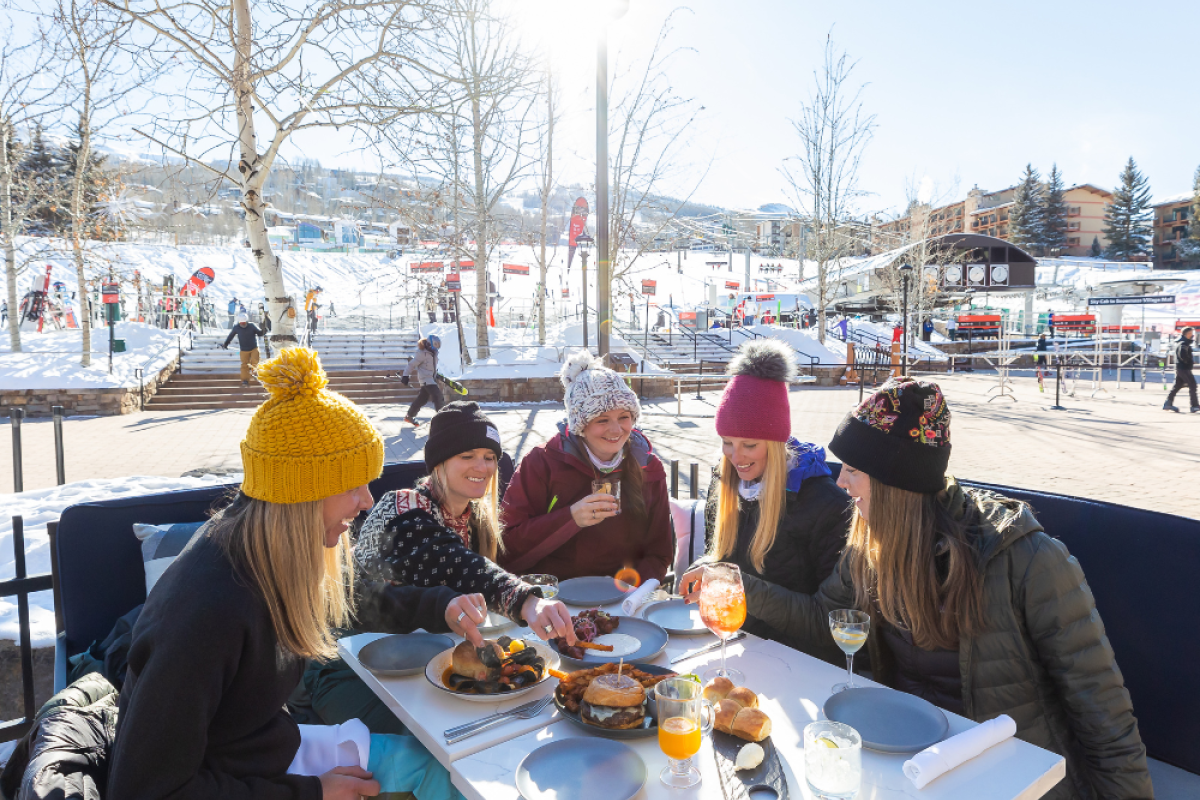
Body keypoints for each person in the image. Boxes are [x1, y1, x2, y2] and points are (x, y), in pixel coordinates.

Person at [681, 376, 1152, 800]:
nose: (839, 479)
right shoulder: (870, 545)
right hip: (898, 763)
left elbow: (1104, 718)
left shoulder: (1024, 560)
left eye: (853, 469)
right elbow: (824, 622)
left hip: (1006, 775)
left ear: (896, 483)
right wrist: (738, 584)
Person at [109, 347, 473, 800]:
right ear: (302, 494)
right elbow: (145, 789)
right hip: (234, 776)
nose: (365, 501)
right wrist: (311, 794)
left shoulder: (267, 553)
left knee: (442, 770)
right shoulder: (211, 611)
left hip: (257, 749)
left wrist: (444, 606)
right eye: (351, 485)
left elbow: (351, 597)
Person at [312, 402, 578, 734]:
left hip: (416, 660)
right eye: (466, 456)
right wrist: (527, 600)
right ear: (439, 462)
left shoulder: (475, 517)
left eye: (489, 456)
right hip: (348, 664)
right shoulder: (403, 506)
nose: (481, 466)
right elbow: (455, 564)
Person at [701, 339, 851, 654]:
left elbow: (829, 622)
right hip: (735, 648)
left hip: (799, 665)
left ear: (774, 442)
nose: (735, 456)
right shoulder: (724, 483)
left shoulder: (826, 504)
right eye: (727, 442)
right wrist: (703, 568)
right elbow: (718, 557)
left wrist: (738, 585)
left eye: (750, 445)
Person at [500, 351, 673, 585]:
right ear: (580, 425)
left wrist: (631, 594)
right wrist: (570, 518)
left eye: (624, 417)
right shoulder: (542, 462)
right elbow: (506, 549)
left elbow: (659, 552)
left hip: (619, 598)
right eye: (602, 419)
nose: (616, 430)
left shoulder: (648, 467)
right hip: (550, 597)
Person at [401, 335, 443, 426]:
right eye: (436, 345)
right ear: (431, 344)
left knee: (422, 399)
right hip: (425, 379)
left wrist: (436, 375)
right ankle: (442, 419)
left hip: (431, 379)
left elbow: (432, 367)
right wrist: (405, 376)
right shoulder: (422, 353)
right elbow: (411, 365)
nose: (437, 347)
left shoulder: (433, 353)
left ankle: (409, 416)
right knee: (437, 395)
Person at [222, 312, 264, 386]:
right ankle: (245, 380)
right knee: (244, 365)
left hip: (254, 348)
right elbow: (231, 336)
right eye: (241, 322)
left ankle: (256, 375)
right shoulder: (236, 327)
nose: (242, 324)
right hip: (244, 350)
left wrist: (263, 330)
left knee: (255, 362)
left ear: (246, 321)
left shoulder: (252, 326)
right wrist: (226, 344)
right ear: (239, 322)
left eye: (244, 322)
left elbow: (259, 333)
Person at [1164, 325, 1197, 413]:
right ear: (1188, 333)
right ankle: (1195, 405)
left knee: (1177, 386)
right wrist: (1189, 362)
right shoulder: (1184, 344)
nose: (1192, 335)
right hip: (1184, 368)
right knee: (1193, 385)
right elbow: (1183, 355)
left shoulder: (1181, 342)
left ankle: (1168, 403)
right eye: (1191, 333)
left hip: (1180, 368)